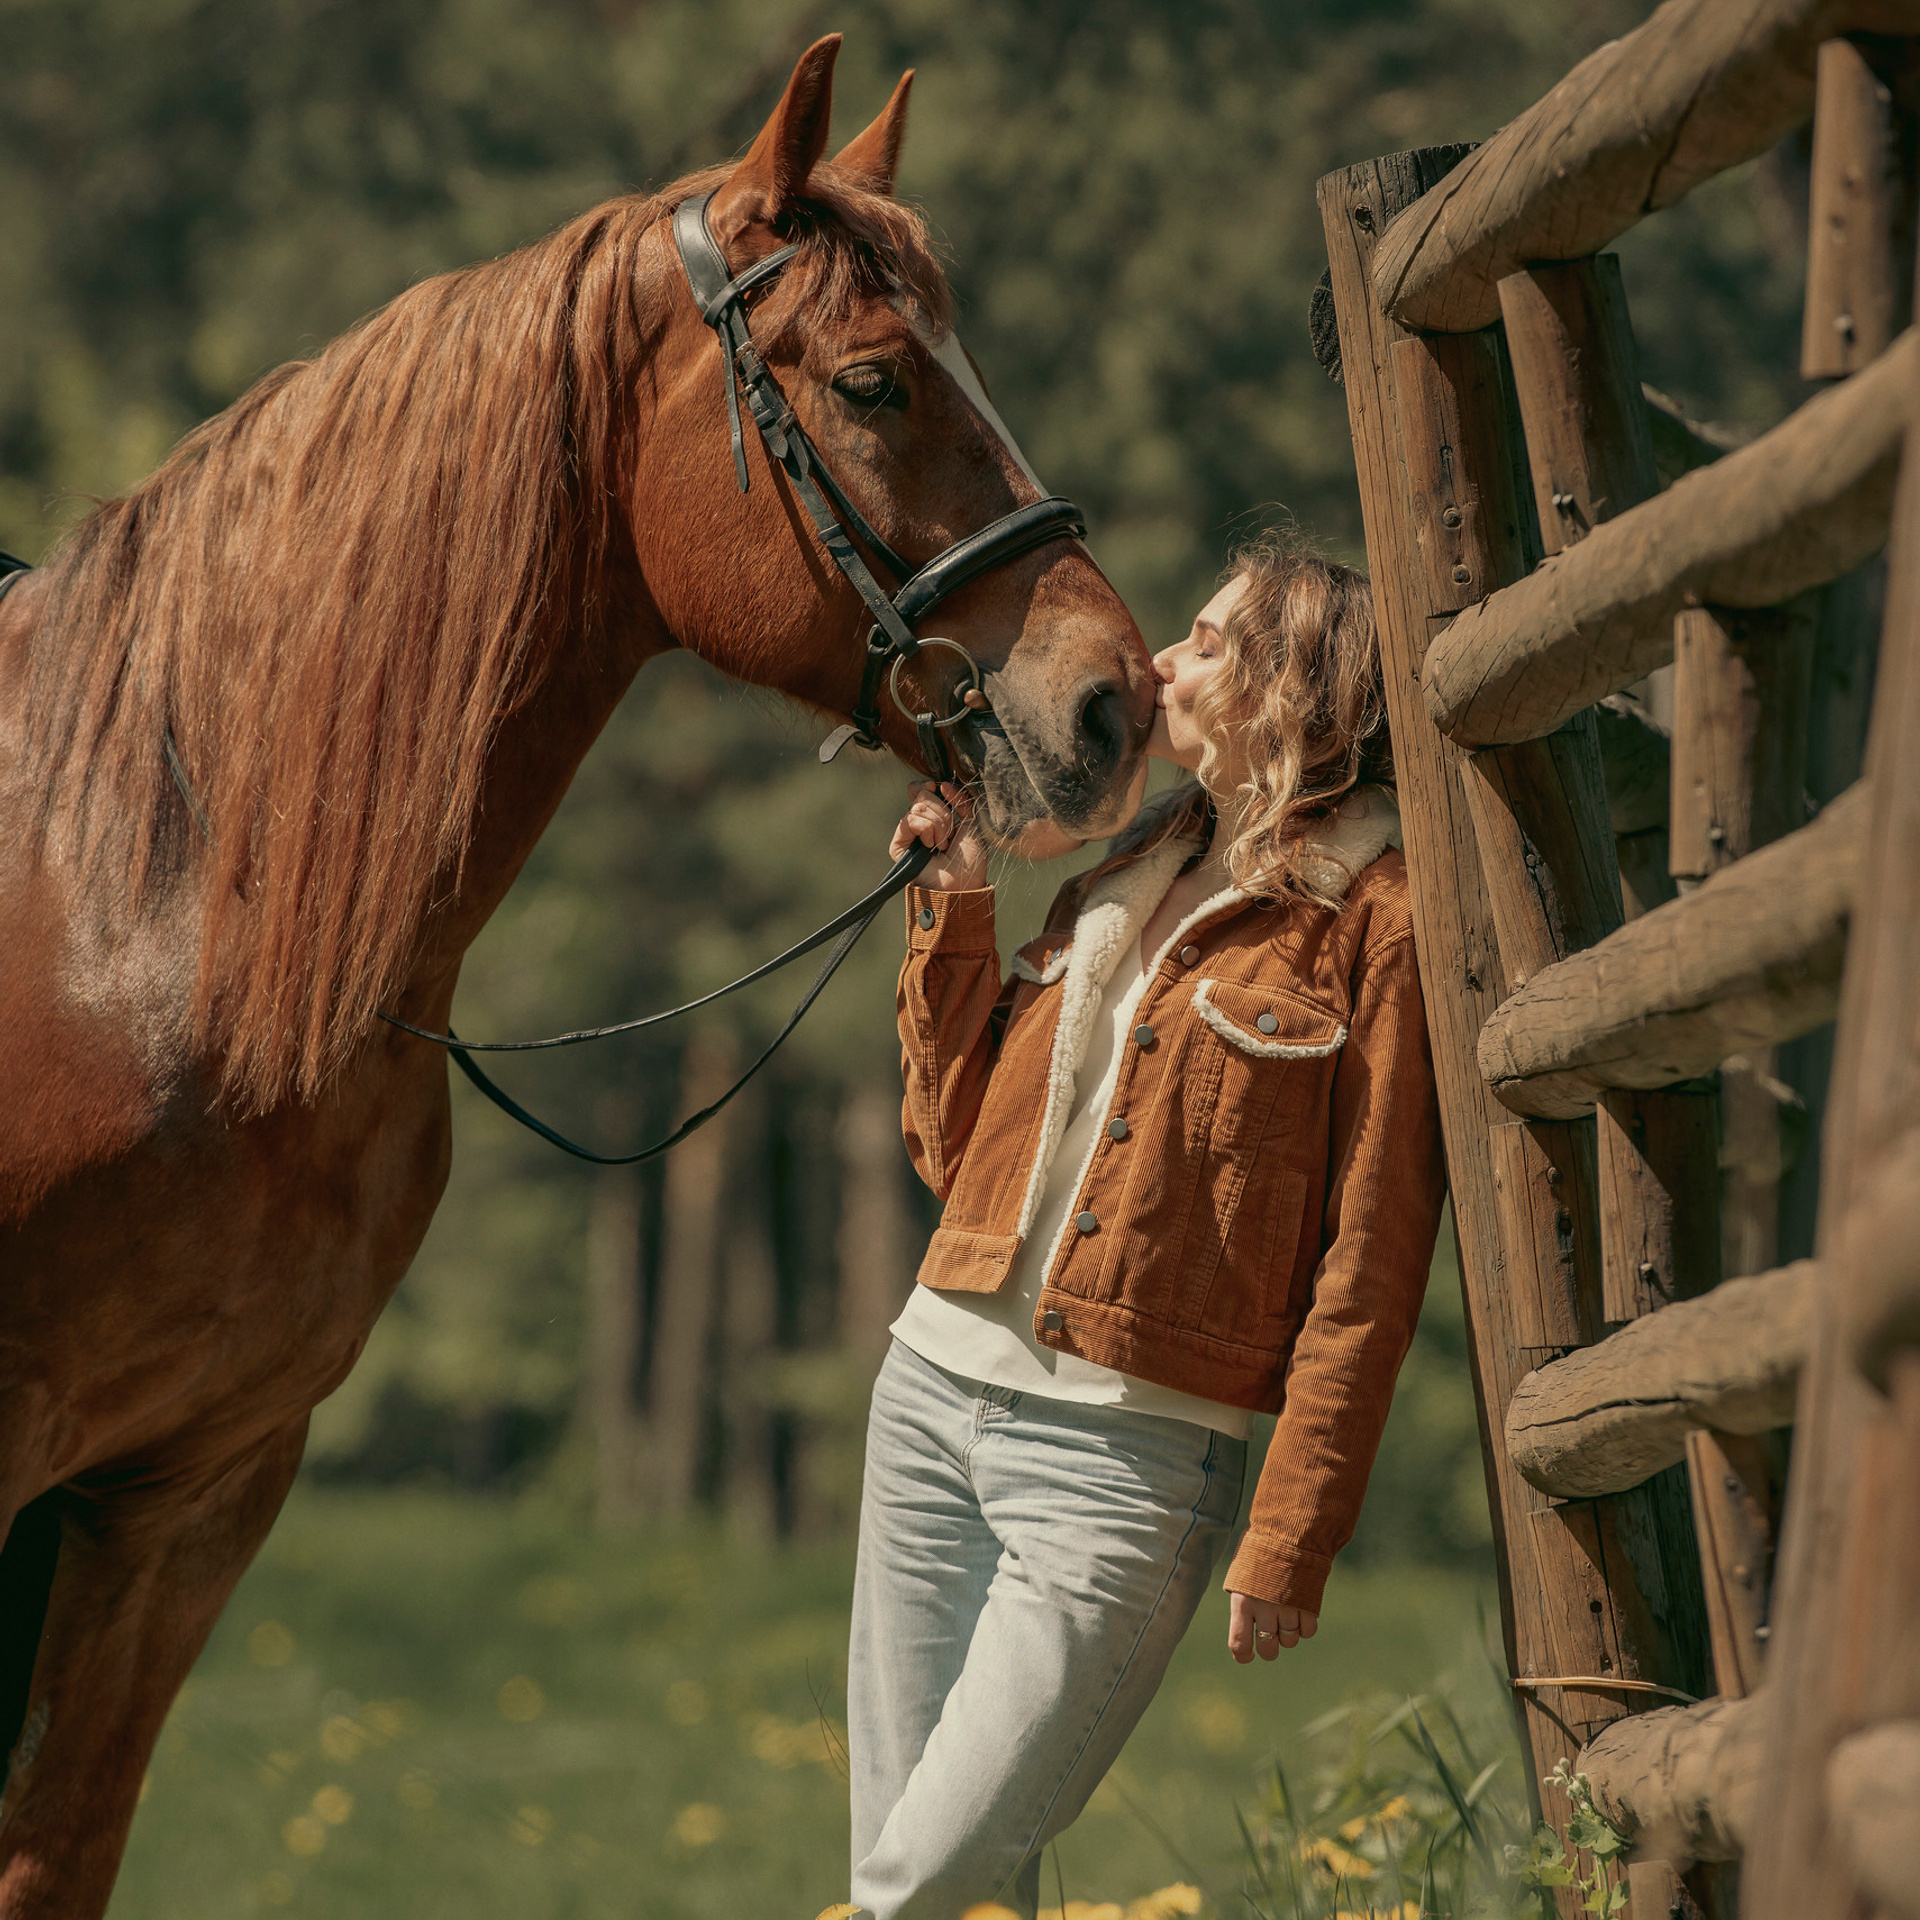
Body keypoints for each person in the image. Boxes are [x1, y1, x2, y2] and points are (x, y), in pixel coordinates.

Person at [846, 534, 1446, 1920]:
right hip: (929, 1398)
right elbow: (955, 1154)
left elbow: (1373, 1246)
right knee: (944, 1882)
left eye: (1212, 641)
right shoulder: (1113, 881)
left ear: (1302, 691)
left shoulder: (1379, 922)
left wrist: (1295, 1523)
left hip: (1126, 1466)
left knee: (918, 1886)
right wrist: (956, 912)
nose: (1162, 663)